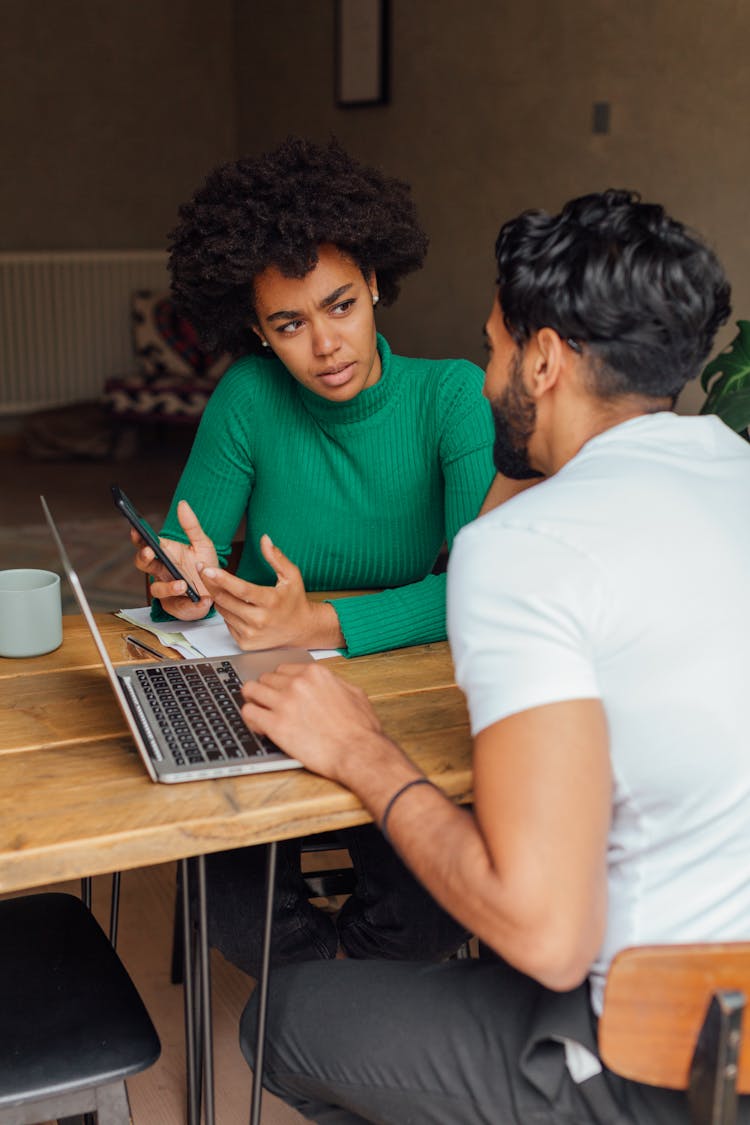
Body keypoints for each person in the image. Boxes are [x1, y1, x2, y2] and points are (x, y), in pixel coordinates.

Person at [237, 189, 750, 1124]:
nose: (483, 380)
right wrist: (537, 442)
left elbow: (548, 936)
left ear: (543, 358)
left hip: (665, 1061)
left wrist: (360, 749)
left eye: (494, 349)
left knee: (280, 1018)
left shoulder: (528, 552)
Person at [132, 137, 497, 976]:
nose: (324, 345)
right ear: (255, 329)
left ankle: (345, 995)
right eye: (288, 324)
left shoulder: (451, 400)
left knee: (422, 910)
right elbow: (189, 568)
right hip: (256, 684)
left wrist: (322, 617)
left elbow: (484, 588)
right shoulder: (249, 397)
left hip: (403, 687)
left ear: (374, 280)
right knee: (236, 903)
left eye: (340, 305)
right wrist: (181, 586)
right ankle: (319, 990)